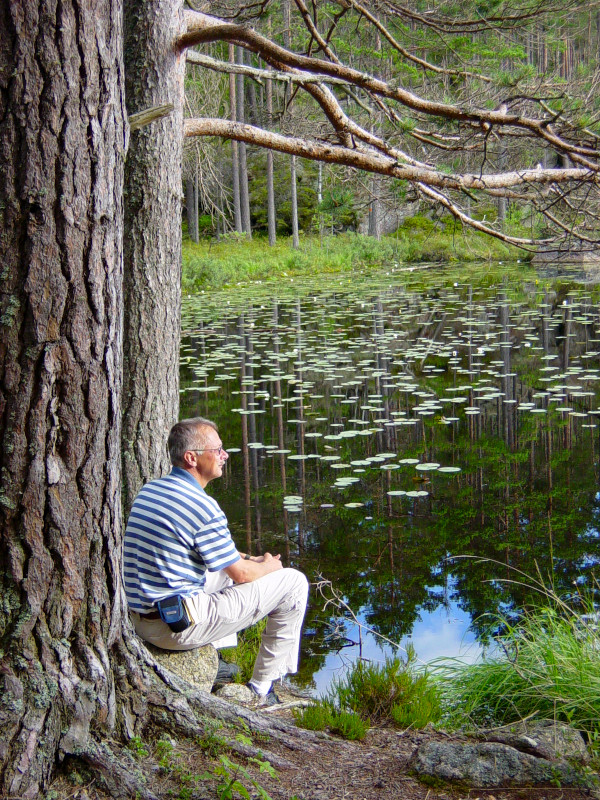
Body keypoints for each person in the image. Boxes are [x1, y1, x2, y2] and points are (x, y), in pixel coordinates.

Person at [123, 417, 309, 706]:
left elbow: (221, 557)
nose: (224, 455)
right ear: (191, 458)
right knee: (294, 583)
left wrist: (252, 558)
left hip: (143, 618)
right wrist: (269, 566)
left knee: (220, 573)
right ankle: (262, 690)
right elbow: (242, 575)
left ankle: (217, 664)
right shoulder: (203, 506)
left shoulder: (151, 490)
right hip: (174, 629)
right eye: (218, 449)